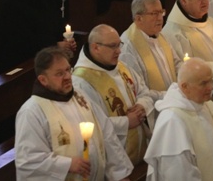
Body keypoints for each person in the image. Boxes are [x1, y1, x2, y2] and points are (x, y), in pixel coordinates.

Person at [15, 46, 133, 181]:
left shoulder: (79, 96)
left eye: (67, 70)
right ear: (43, 80)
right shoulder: (32, 111)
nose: (67, 77)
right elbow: (28, 161)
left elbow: (106, 133)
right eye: (59, 74)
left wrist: (119, 174)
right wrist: (67, 165)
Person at [144, 57, 213, 180]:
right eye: (203, 83)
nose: (210, 88)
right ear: (185, 87)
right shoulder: (172, 120)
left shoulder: (208, 106)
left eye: (211, 81)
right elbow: (179, 173)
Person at [73, 24, 154, 165]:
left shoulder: (121, 66)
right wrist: (127, 122)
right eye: (112, 46)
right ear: (95, 47)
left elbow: (144, 91)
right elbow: (88, 124)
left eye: (119, 45)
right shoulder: (81, 81)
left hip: (142, 151)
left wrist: (142, 105)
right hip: (114, 159)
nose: (118, 51)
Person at [0, 0, 76, 74]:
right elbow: (21, 40)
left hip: (47, 55)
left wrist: (66, 40)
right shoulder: (10, 6)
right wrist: (55, 45)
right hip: (20, 61)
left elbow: (56, 22)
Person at [119, 0, 181, 98]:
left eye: (161, 12)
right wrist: (171, 95)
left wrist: (188, 76)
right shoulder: (128, 47)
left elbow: (176, 63)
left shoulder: (160, 36)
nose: (160, 18)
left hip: (173, 99)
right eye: (154, 13)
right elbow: (137, 89)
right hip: (153, 108)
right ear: (139, 19)